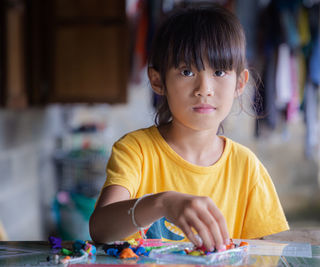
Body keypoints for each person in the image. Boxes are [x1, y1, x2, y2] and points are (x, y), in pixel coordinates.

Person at [89, 4, 289, 252]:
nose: (204, 88)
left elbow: (264, 255)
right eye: (186, 71)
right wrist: (163, 203)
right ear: (157, 80)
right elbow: (100, 229)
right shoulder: (136, 151)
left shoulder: (247, 168)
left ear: (240, 83)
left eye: (219, 71)